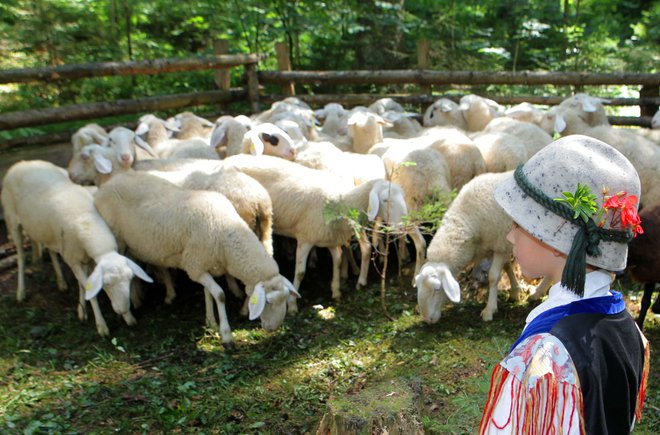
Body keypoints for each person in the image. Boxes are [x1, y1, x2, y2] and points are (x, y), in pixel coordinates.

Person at [479, 135, 649, 434]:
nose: (509, 236)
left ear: (558, 243)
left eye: (520, 224)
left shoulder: (546, 357)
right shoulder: (630, 331)